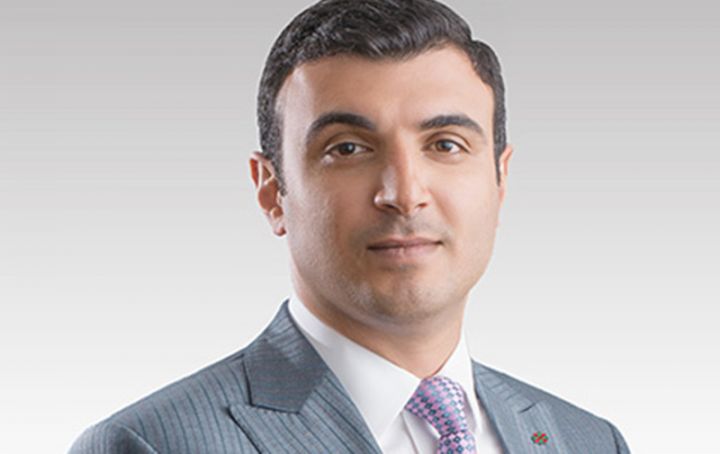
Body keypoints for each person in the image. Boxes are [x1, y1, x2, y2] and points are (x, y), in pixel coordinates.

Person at [70, 0, 630, 452]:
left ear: (499, 181)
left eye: (445, 145)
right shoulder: (151, 444)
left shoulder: (586, 441)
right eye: (347, 148)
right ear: (271, 191)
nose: (404, 194)